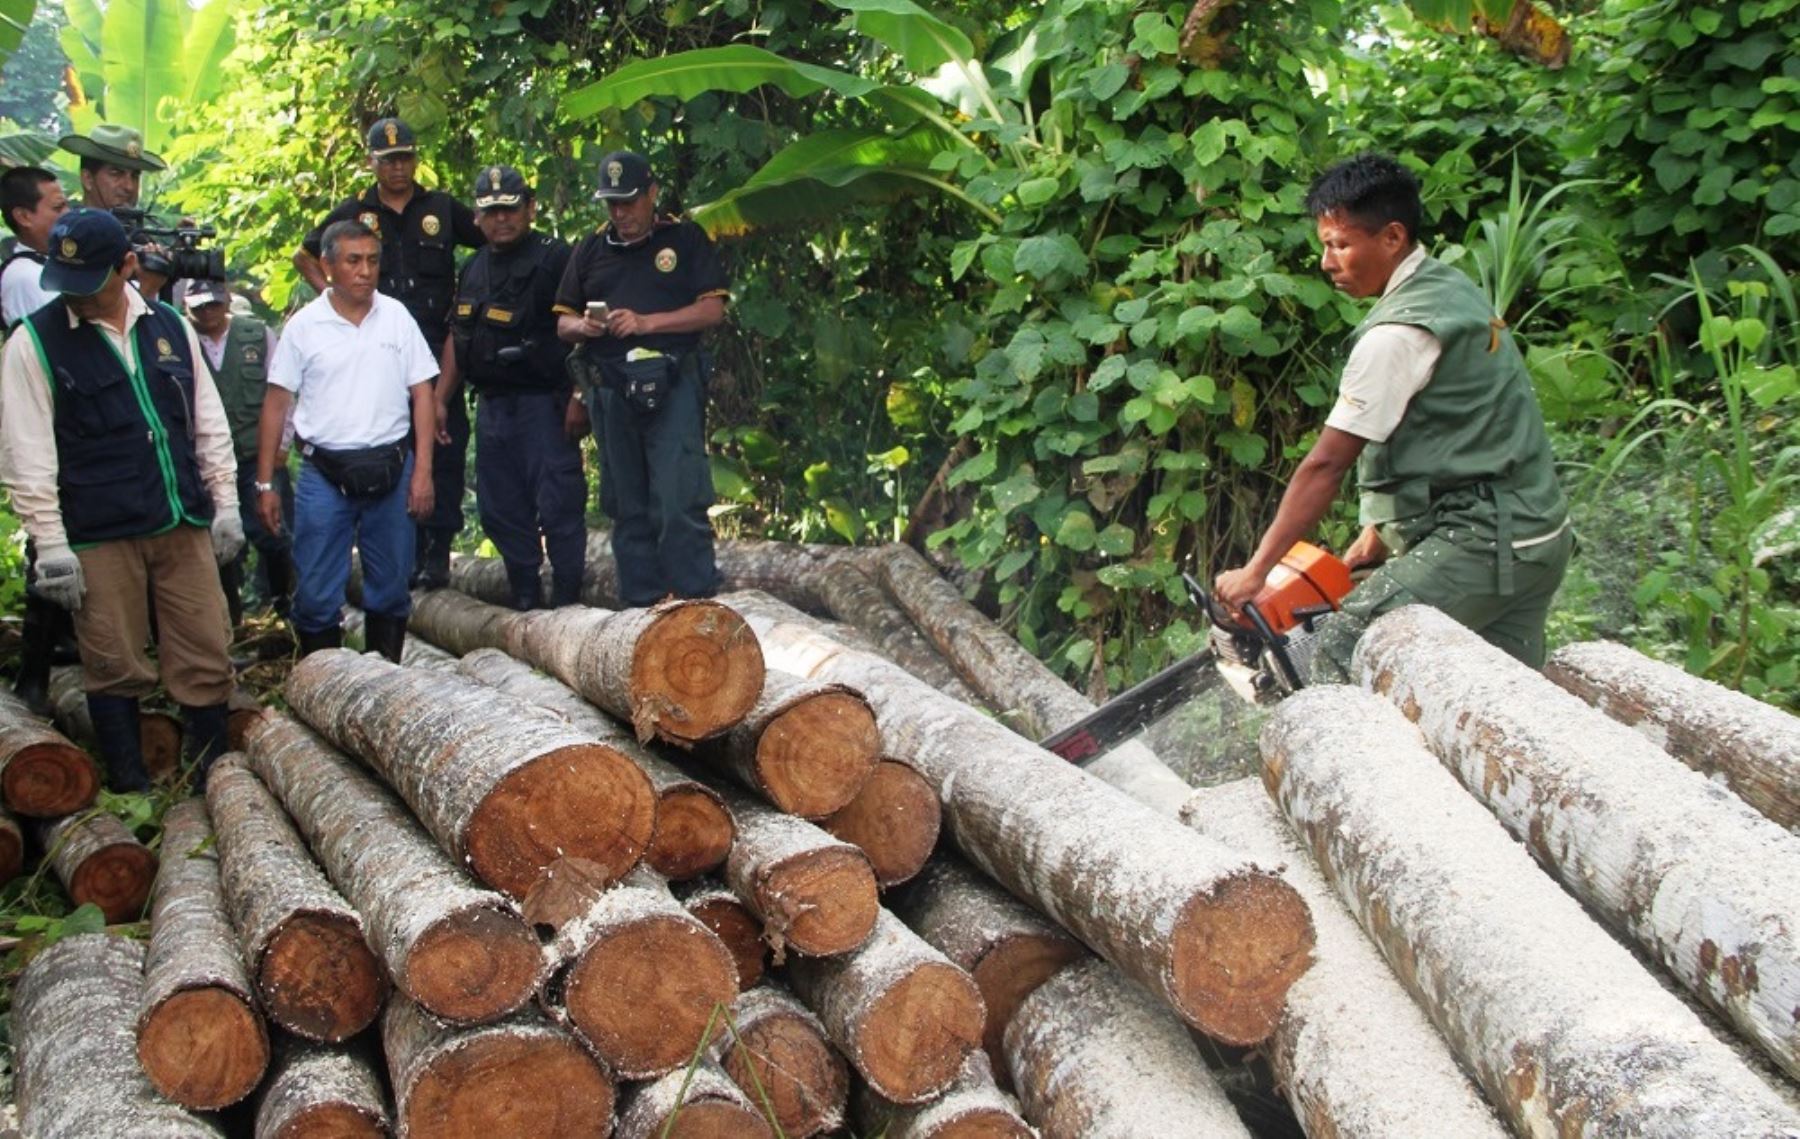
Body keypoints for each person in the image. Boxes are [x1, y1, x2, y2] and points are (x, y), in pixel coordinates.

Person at [1214, 153, 1572, 680]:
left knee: (1339, 650)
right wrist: (1380, 529)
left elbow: (1325, 466)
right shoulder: (1447, 288)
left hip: (1484, 542)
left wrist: (1256, 571)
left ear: (1392, 237)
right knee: (1492, 693)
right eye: (1324, 246)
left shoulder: (1394, 337)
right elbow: (1454, 424)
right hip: (1536, 535)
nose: (1327, 262)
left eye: (1340, 245)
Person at [0, 209, 243, 791]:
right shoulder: (33, 343)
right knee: (112, 662)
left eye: (91, 282)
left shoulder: (169, 327)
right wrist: (51, 545)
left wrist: (226, 501)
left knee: (207, 649)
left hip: (178, 518)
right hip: (99, 532)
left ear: (127, 266)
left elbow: (206, 423)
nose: (77, 298)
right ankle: (132, 784)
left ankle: (215, 774)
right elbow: (27, 454)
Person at [294, 118, 481, 590]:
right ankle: (403, 553)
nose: (398, 167)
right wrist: (334, 297)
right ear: (372, 162)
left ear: (415, 160)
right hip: (376, 351)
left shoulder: (439, 207)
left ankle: (437, 553)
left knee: (443, 446)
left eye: (406, 158)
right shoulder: (357, 213)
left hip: (437, 351)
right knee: (391, 449)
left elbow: (491, 242)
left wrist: (473, 299)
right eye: (388, 160)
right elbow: (305, 254)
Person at [554, 150, 729, 607]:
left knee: (677, 499)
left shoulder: (684, 238)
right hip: (611, 389)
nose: (621, 213)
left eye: (629, 202)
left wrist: (647, 323)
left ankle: (695, 601)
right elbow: (562, 322)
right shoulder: (590, 248)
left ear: (652, 194)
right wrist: (587, 328)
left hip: (672, 383)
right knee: (626, 504)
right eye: (612, 203)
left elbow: (713, 309)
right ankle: (642, 608)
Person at [258, 219, 437, 663]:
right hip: (324, 473)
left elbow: (423, 393)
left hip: (393, 468)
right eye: (353, 261)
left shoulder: (396, 316)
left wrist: (424, 473)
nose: (365, 271)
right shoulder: (304, 328)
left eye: (373, 261)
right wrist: (265, 484)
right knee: (317, 592)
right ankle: (325, 682)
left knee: (392, 587)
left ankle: (384, 683)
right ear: (328, 265)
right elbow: (276, 404)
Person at [438, 165, 585, 610]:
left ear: (530, 208)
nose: (502, 219)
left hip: (545, 403)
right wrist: (440, 400)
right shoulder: (474, 266)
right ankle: (526, 597)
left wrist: (582, 397)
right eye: (491, 211)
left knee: (558, 504)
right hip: (493, 406)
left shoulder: (556, 258)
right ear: (478, 217)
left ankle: (567, 602)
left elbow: (587, 333)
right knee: (499, 509)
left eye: (511, 209)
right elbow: (458, 338)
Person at [1, 168, 73, 712]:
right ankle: (35, 676)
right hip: (47, 433)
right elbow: (52, 349)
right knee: (48, 554)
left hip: (62, 430)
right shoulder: (29, 277)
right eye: (55, 207)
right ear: (24, 216)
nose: (63, 215)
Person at [185, 279, 292, 624]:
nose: (208, 313)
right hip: (202, 463)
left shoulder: (257, 335)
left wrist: (283, 444)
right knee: (218, 544)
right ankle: (229, 619)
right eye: (200, 307)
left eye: (214, 304)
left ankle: (283, 607)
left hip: (254, 456)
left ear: (227, 299)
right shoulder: (175, 337)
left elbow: (281, 392)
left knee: (275, 534)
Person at [58, 124, 175, 298]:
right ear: (88, 178)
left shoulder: (142, 240)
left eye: (134, 176)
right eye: (116, 173)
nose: (129, 186)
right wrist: (147, 290)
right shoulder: (69, 238)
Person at [1, 167, 69, 328]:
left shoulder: (49, 263)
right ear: (24, 217)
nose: (68, 213)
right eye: (58, 208)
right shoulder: (25, 277)